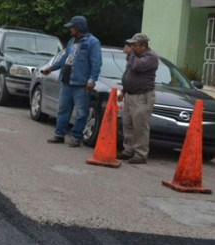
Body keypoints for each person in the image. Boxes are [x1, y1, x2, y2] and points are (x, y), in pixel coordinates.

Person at [41, 15, 102, 147]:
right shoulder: (72, 41)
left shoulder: (92, 42)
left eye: (72, 27)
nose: (70, 30)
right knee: (63, 109)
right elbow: (64, 58)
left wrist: (91, 80)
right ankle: (59, 135)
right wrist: (51, 68)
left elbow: (96, 63)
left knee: (81, 112)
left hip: (81, 83)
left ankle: (76, 137)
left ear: (78, 27)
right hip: (66, 81)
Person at [116, 33, 158, 164]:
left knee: (140, 126)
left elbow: (137, 67)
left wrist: (130, 54)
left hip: (142, 96)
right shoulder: (135, 56)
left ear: (143, 46)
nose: (132, 47)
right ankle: (128, 150)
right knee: (127, 123)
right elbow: (129, 74)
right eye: (131, 45)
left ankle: (140, 154)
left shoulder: (150, 57)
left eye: (134, 45)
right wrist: (124, 90)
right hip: (130, 94)